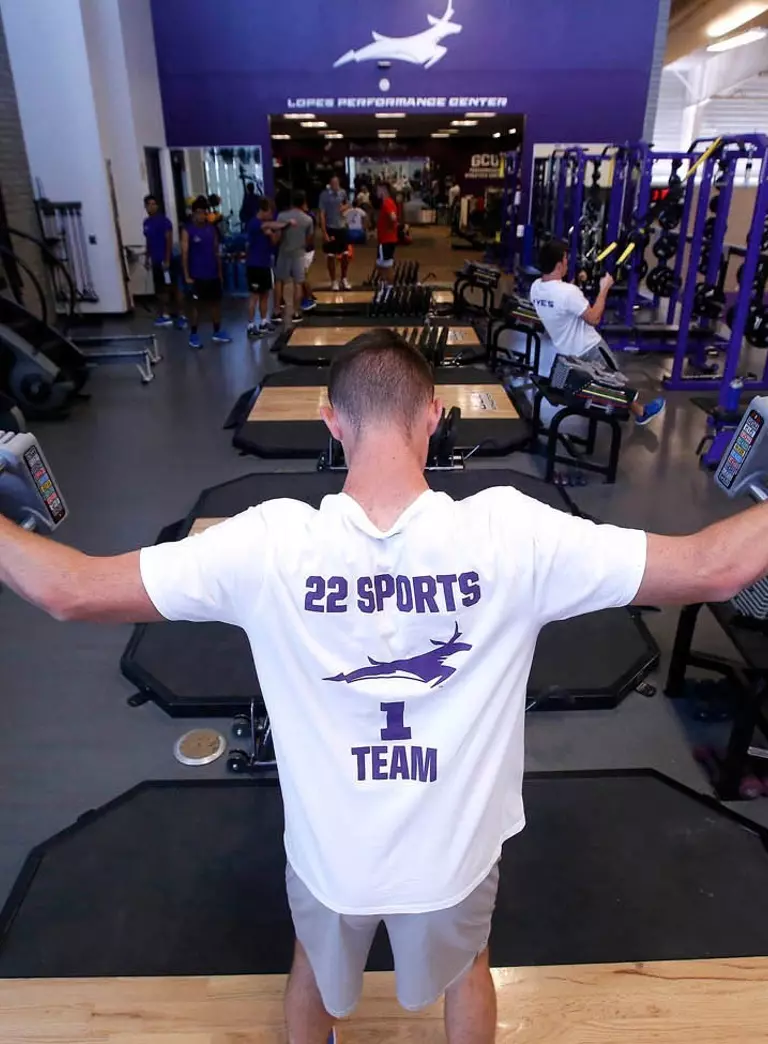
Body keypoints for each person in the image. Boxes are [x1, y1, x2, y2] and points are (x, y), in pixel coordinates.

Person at [1, 328, 765, 1042]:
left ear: (332, 422)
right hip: (452, 865)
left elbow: (69, 590)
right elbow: (714, 568)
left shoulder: (265, 542)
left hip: (330, 863)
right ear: (433, 416)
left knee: (311, 965)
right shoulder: (517, 532)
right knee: (468, 967)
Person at [530, 239, 666, 426]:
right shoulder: (568, 293)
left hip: (566, 353)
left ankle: (630, 409)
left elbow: (562, 301)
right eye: (566, 260)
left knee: (610, 380)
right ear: (559, 265)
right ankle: (641, 413)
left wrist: (577, 283)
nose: (568, 263)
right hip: (590, 348)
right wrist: (604, 288)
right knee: (616, 380)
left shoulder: (536, 287)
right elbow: (594, 318)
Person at [181, 195, 231, 349]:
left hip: (212, 273)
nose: (201, 216)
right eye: (198, 212)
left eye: (204, 212)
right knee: (196, 306)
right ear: (193, 213)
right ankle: (194, 334)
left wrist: (220, 273)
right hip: (196, 275)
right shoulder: (187, 230)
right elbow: (185, 254)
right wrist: (187, 275)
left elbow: (216, 252)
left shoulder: (212, 229)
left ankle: (217, 331)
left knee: (215, 304)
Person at [245, 197, 294, 338]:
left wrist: (278, 232)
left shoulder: (266, 226)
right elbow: (270, 224)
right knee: (254, 296)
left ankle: (263, 321)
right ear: (264, 210)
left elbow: (273, 241)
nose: (272, 216)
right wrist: (286, 223)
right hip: (254, 265)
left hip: (265, 264)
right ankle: (250, 325)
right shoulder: (254, 223)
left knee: (265, 295)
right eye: (270, 213)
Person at [142, 195, 186, 329]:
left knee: (172, 287)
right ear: (145, 206)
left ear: (157, 206)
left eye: (153, 204)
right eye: (149, 204)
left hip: (167, 260)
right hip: (155, 260)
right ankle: (165, 315)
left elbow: (169, 241)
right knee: (160, 289)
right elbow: (149, 241)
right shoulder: (146, 223)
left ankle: (181, 315)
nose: (151, 207)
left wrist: (166, 260)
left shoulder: (164, 222)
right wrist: (147, 258)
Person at [274, 190, 315, 326]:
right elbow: (309, 240)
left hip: (284, 252)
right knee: (298, 283)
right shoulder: (308, 219)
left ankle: (276, 311)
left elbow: (278, 237)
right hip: (299, 253)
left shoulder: (281, 216)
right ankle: (296, 313)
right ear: (303, 202)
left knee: (279, 281)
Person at [319, 175, 350, 290]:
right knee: (331, 255)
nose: (335, 185)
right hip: (330, 227)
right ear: (330, 184)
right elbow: (322, 214)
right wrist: (324, 232)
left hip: (342, 227)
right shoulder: (324, 195)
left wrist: (345, 207)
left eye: (337, 183)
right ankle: (333, 281)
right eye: (333, 183)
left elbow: (348, 203)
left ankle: (344, 278)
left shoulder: (343, 193)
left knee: (345, 254)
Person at [376, 182, 399, 286]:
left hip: (386, 240)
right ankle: (385, 285)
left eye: (378, 190)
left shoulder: (387, 203)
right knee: (380, 265)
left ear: (383, 190)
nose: (377, 192)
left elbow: (393, 217)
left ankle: (389, 288)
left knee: (386, 266)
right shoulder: (388, 202)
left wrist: (392, 224)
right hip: (386, 240)